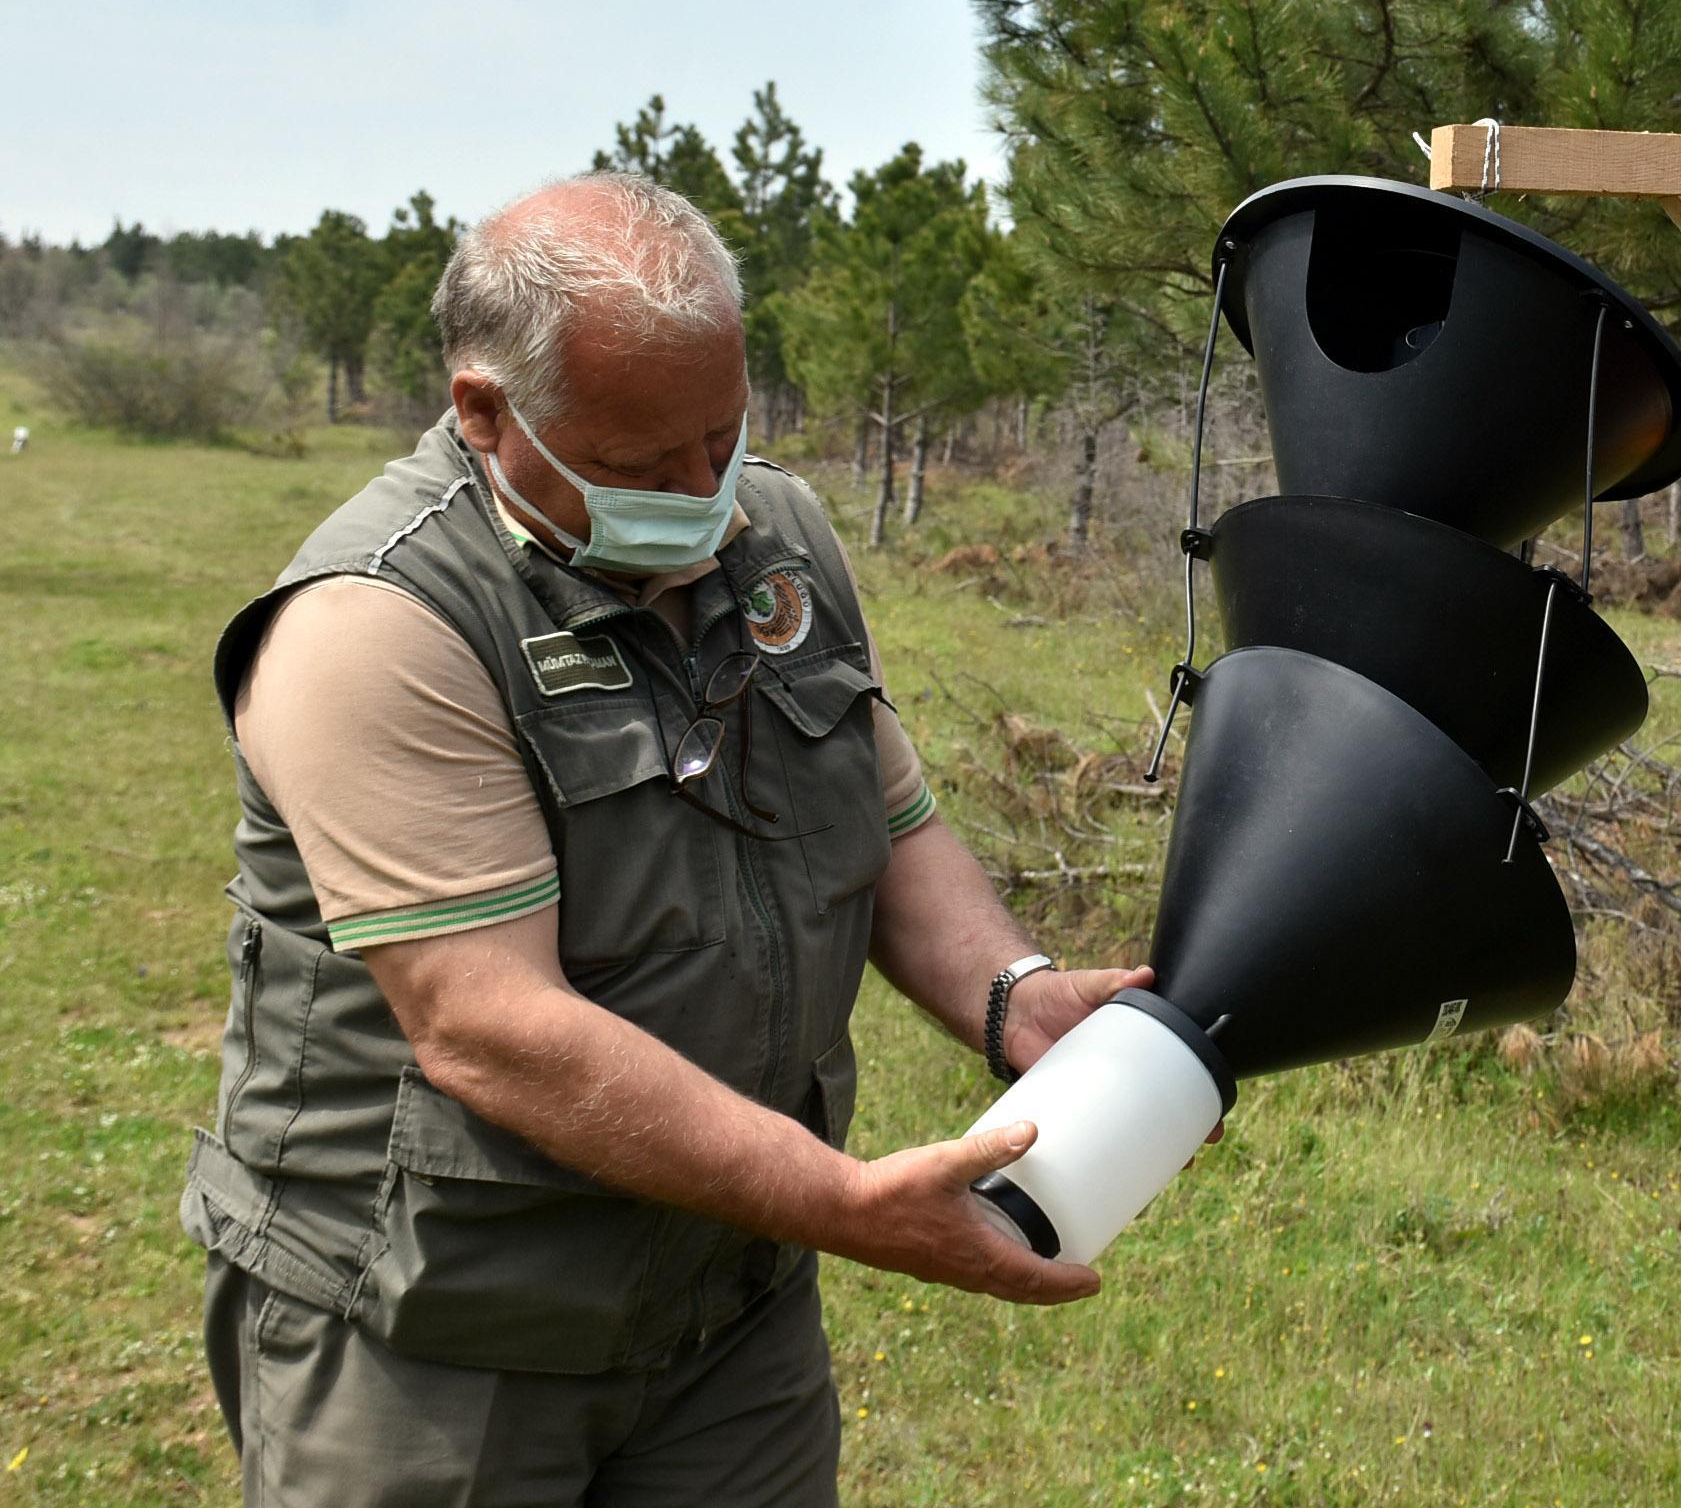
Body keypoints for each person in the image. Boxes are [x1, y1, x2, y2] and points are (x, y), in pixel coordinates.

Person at [185, 172, 1141, 1505]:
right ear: (484, 411)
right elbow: (488, 1022)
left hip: (725, 1314)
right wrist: (839, 1200)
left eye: (725, 432)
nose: (703, 495)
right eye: (643, 466)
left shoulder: (779, 539)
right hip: (440, 1336)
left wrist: (1011, 997)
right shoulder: (376, 626)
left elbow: (884, 820)